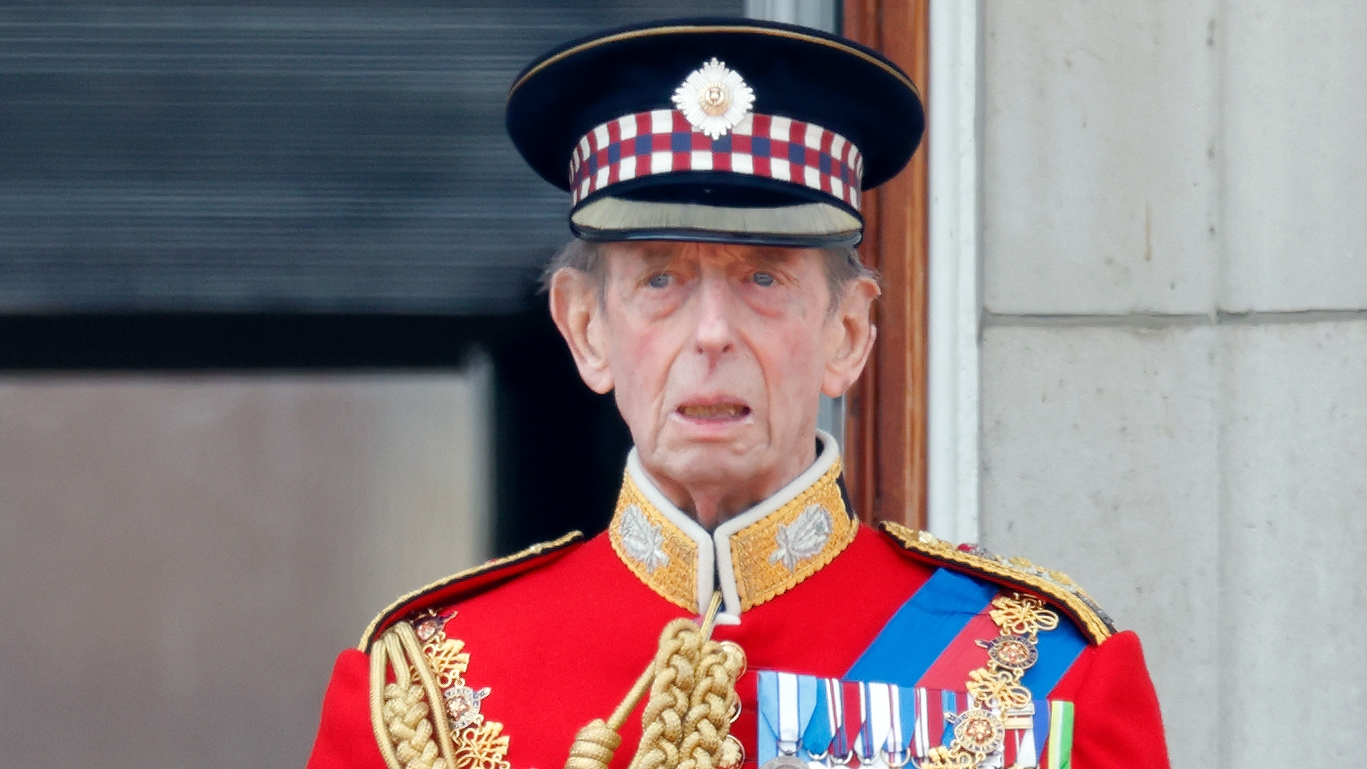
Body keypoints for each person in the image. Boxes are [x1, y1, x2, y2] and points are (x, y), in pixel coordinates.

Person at [306, 18, 1170, 769]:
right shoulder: (424, 687)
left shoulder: (1040, 674)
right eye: (660, 280)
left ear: (846, 333)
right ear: (585, 328)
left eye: (763, 276)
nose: (711, 332)